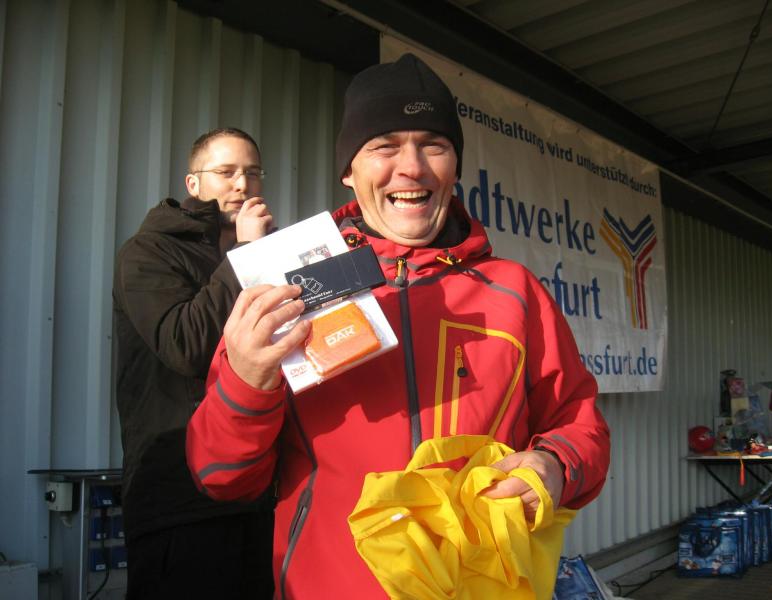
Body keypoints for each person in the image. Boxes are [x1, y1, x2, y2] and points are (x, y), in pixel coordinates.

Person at [186, 55, 611, 599]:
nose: (411, 167)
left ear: (455, 166)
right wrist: (247, 380)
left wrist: (553, 466)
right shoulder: (285, 288)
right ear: (349, 170)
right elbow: (219, 475)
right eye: (384, 146)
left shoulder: (516, 292)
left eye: (433, 144)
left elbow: (580, 425)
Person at [113, 127, 275, 599]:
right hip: (180, 503)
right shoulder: (149, 251)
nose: (242, 184)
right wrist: (248, 255)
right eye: (226, 172)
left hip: (260, 496)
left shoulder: (266, 251)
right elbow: (185, 345)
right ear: (193, 183)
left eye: (252, 173)